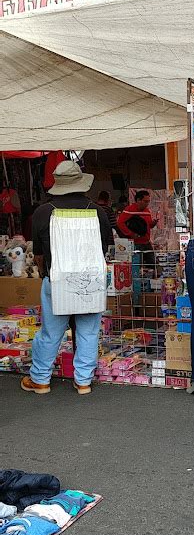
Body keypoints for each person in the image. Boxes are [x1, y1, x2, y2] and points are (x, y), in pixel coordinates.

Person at [20, 161, 111, 396]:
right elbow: (104, 250)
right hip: (91, 280)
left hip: (56, 278)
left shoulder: (43, 211)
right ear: (81, 182)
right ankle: (83, 381)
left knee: (51, 332)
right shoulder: (97, 211)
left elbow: (38, 254)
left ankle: (40, 380)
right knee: (88, 332)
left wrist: (46, 275)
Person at [117, 190, 158, 260]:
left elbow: (149, 225)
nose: (147, 204)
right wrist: (130, 234)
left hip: (146, 242)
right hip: (134, 243)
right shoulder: (129, 210)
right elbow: (120, 223)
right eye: (145, 201)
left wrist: (153, 223)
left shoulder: (147, 211)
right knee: (136, 264)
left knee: (152, 264)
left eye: (148, 201)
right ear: (138, 200)